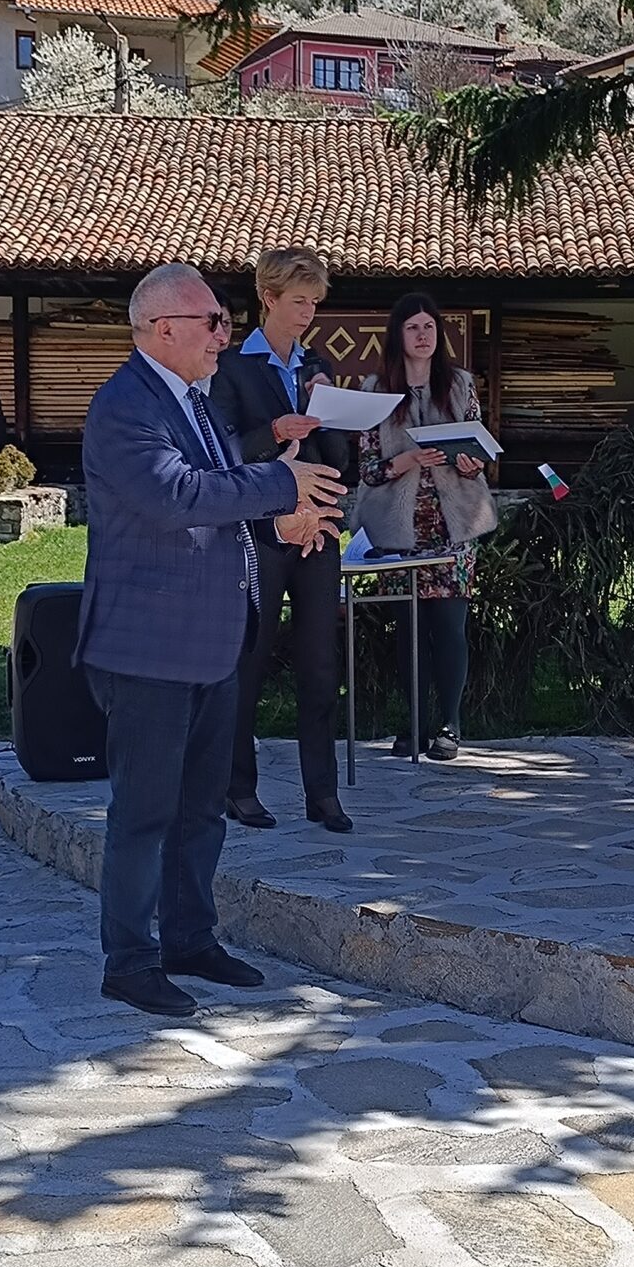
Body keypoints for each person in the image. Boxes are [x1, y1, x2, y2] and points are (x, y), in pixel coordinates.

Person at [75, 263, 343, 1015]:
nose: (225, 335)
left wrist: (283, 524)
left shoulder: (194, 400)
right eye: (213, 322)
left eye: (224, 322)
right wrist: (283, 486)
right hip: (147, 647)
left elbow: (224, 505)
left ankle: (190, 939)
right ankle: (130, 961)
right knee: (144, 813)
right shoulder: (125, 405)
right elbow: (175, 496)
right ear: (164, 329)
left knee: (201, 810)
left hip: (213, 639)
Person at [210, 247, 355, 834]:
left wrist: (331, 411)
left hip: (318, 530)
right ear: (268, 298)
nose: (308, 313)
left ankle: (323, 795)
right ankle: (238, 787)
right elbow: (224, 451)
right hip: (261, 533)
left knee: (321, 665)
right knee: (250, 658)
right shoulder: (232, 367)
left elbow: (339, 458)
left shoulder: (316, 365)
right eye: (299, 301)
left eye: (315, 303)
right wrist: (274, 429)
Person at [351, 293, 496, 760]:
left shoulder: (459, 384)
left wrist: (471, 463)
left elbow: (478, 451)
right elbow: (368, 469)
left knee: (450, 627)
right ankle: (413, 723)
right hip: (400, 529)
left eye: (429, 327)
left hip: (454, 528)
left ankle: (450, 725)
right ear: (398, 335)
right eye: (412, 327)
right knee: (408, 631)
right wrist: (407, 460)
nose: (422, 335)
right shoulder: (375, 390)